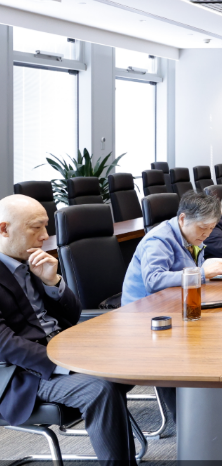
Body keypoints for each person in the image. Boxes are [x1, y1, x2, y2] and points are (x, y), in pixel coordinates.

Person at [0, 195, 138, 463]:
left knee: (130, 361)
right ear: (3, 229)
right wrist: (65, 363)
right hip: (20, 372)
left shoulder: (31, 261)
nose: (45, 235)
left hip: (61, 350)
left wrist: (52, 282)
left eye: (45, 226)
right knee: (99, 388)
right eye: (36, 227)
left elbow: (73, 316)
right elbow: (5, 345)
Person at [122, 191, 222, 421]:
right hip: (143, 319)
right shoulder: (159, 240)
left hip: (173, 309)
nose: (206, 234)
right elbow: (153, 280)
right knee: (184, 352)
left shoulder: (191, 237)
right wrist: (201, 273)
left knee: (218, 336)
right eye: (202, 228)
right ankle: (186, 422)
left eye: (211, 228)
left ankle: (212, 410)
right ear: (183, 219)